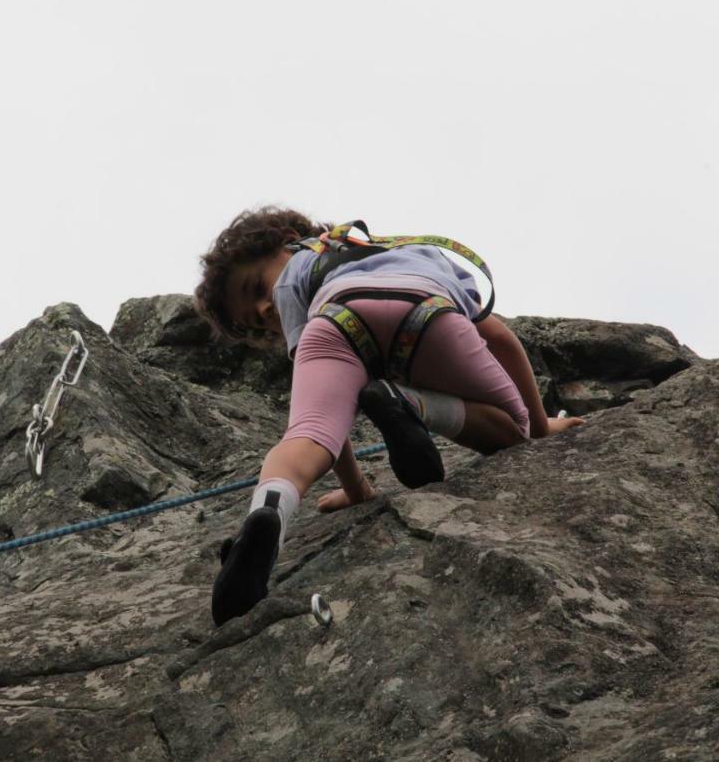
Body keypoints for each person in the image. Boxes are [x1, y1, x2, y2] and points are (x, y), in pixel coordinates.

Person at [194, 207, 584, 625]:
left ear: (289, 239)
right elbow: (501, 338)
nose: (265, 308)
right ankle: (408, 403)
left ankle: (268, 511)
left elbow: (329, 421)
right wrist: (538, 427)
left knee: (305, 435)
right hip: (427, 310)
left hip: (334, 319)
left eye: (257, 287)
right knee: (512, 429)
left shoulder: (295, 276)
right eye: (257, 322)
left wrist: (357, 488)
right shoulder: (416, 253)